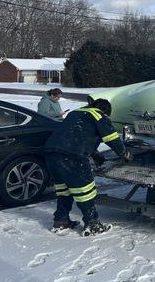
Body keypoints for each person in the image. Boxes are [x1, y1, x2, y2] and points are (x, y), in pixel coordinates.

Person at [42, 98, 133, 236]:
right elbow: (112, 138)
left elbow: (78, 135)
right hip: (72, 157)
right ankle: (92, 225)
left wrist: (95, 154)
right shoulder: (99, 115)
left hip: (51, 153)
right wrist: (124, 154)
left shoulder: (75, 113)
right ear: (106, 111)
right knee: (85, 192)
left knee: (64, 190)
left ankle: (60, 221)